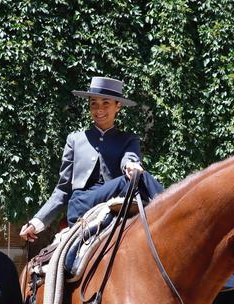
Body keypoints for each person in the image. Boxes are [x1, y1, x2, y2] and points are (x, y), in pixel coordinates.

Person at [19, 76, 165, 242]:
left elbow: (129, 158)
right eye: (93, 103)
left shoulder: (128, 139)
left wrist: (131, 165)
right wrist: (38, 221)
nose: (99, 109)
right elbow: (63, 189)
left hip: (114, 200)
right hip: (82, 204)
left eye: (105, 103)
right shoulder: (75, 139)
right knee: (133, 180)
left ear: (118, 106)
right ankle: (169, 208)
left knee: (137, 177)